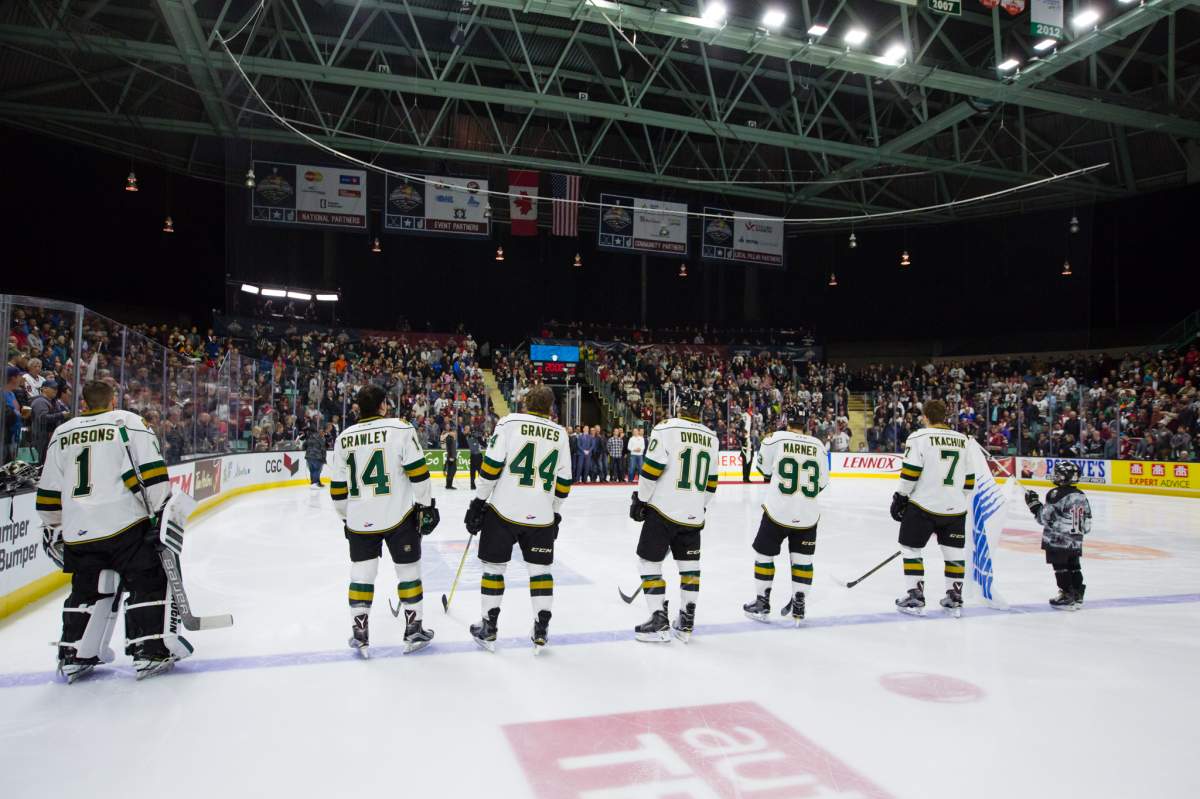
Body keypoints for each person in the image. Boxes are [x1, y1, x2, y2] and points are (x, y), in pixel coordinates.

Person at [36, 380, 187, 682]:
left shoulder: (62, 433)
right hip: (124, 524)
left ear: (84, 402)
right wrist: (159, 511)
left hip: (79, 529)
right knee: (147, 580)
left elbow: (50, 490)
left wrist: (55, 523)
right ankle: (149, 650)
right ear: (112, 399)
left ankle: (73, 653)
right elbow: (149, 475)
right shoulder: (127, 423)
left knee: (87, 588)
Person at [329, 385, 439, 658]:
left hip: (360, 520)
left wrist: (346, 518)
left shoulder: (344, 437)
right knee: (408, 572)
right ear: (383, 406)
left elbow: (338, 491)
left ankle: (360, 632)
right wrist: (425, 506)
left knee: (361, 574)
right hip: (398, 516)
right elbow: (420, 475)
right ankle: (413, 629)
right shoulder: (400, 429)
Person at [463, 385, 572, 652]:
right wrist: (555, 512)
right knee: (540, 571)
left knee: (494, 568)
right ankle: (541, 628)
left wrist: (479, 501)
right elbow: (564, 482)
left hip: (504, 511)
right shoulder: (560, 433)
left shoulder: (510, 422)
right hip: (542, 515)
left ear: (525, 403)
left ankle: (489, 627)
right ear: (551, 408)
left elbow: (490, 467)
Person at [628, 395, 719, 643]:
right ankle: (687, 621)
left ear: (680, 408)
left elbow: (650, 470)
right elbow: (711, 484)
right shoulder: (711, 438)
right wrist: (698, 506)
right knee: (690, 567)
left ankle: (658, 620)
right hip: (693, 515)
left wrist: (641, 500)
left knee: (648, 563)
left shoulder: (666, 428)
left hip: (663, 512)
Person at [889, 399, 976, 618]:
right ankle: (954, 597)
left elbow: (910, 472)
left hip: (923, 506)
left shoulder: (919, 437)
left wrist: (900, 497)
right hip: (955, 508)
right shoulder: (963, 440)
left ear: (925, 416)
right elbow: (969, 481)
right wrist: (953, 497)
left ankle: (916, 595)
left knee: (910, 548)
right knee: (954, 553)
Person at [743, 407, 829, 625]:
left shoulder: (774, 439)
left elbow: (763, 470)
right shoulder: (818, 445)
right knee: (803, 561)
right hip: (808, 513)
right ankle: (799, 603)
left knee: (764, 554)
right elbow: (822, 482)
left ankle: (762, 602)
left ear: (785, 420)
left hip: (777, 511)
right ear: (806, 422)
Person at [1024, 461, 1091, 610]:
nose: (1055, 476)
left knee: (1061, 567)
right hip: (1075, 541)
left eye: (1058, 473)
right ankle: (1077, 594)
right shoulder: (1081, 495)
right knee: (1074, 566)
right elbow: (1087, 525)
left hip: (1058, 540)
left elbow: (1044, 518)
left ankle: (1067, 595)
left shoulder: (1055, 494)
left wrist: (1033, 504)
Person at [29, 376, 68, 464]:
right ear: (44, 389)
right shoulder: (40, 401)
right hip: (40, 438)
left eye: (56, 388)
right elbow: (43, 418)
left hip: (46, 437)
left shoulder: (51, 401)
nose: (56, 390)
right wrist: (61, 415)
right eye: (53, 388)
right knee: (40, 463)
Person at [303, 421, 326, 489]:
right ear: (321, 433)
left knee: (312, 470)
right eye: (324, 433)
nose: (324, 434)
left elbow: (304, 445)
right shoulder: (321, 439)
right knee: (316, 470)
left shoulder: (310, 437)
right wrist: (324, 459)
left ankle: (314, 483)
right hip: (317, 457)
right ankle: (315, 483)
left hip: (309, 456)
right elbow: (323, 450)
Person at [464, 424, 484, 490]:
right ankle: (472, 485)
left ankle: (482, 485)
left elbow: (480, 440)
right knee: (472, 472)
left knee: (480, 471)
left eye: (467, 429)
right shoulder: (466, 436)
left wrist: (475, 434)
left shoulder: (475, 434)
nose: (465, 430)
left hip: (478, 455)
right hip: (473, 455)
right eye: (465, 429)